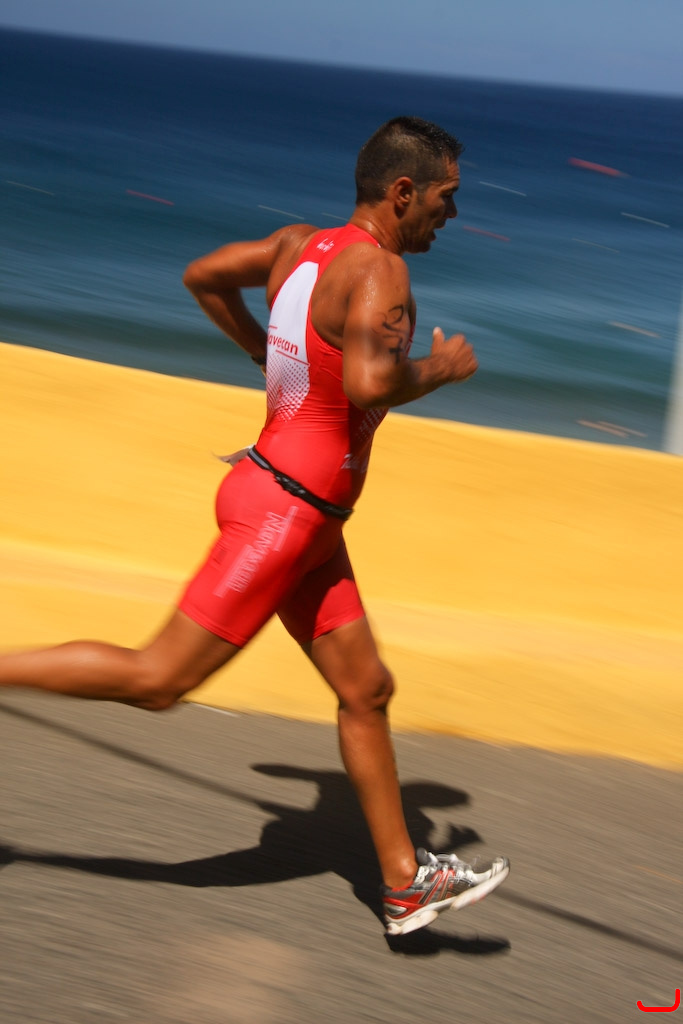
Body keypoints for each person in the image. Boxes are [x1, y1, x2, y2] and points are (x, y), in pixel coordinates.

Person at [0, 116, 509, 936]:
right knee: (158, 679)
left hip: (297, 510)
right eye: (445, 197)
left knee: (366, 690)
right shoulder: (378, 270)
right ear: (402, 191)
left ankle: (403, 883)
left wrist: (258, 350)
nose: (451, 213)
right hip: (286, 513)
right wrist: (438, 370)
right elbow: (370, 381)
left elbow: (203, 276)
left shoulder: (295, 246)